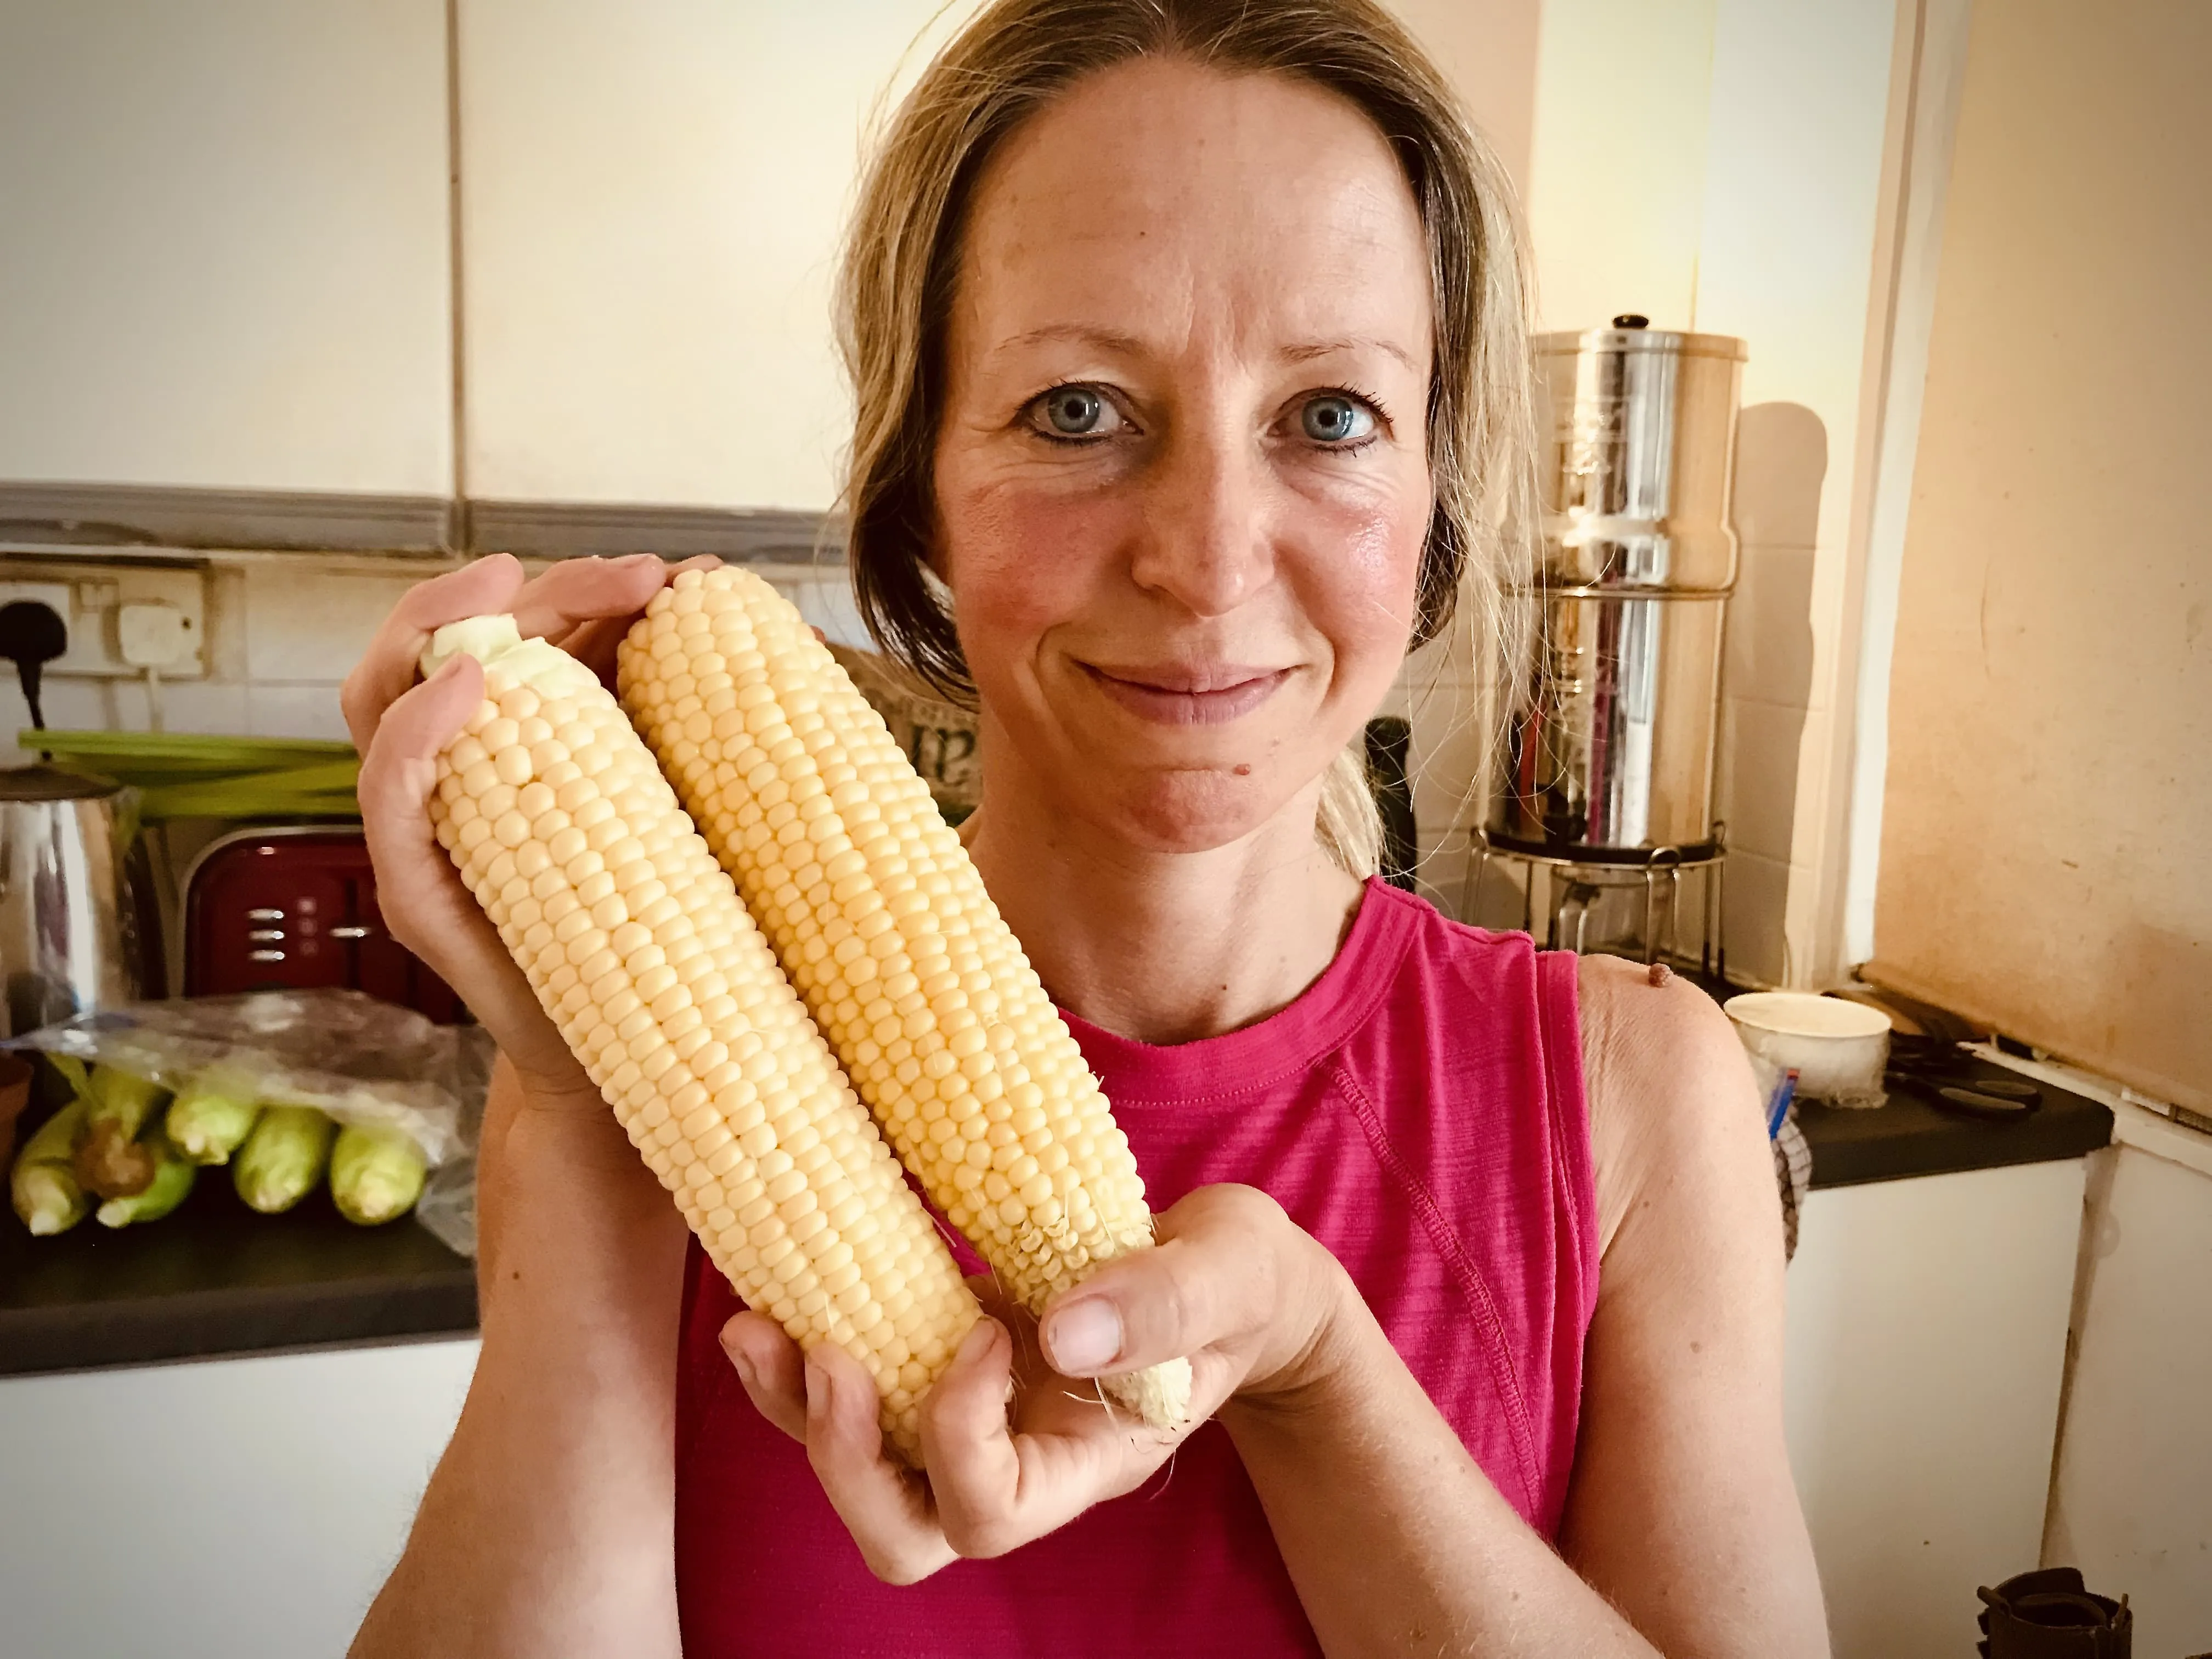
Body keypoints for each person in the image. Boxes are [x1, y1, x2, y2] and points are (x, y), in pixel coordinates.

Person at [344, 1, 1827, 1654]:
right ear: (916, 488)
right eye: (1076, 410)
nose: (1208, 560)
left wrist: (1318, 1373)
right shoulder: (643, 1077)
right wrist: (579, 1106)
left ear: (1435, 507)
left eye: (1332, 415)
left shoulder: (1633, 1096)